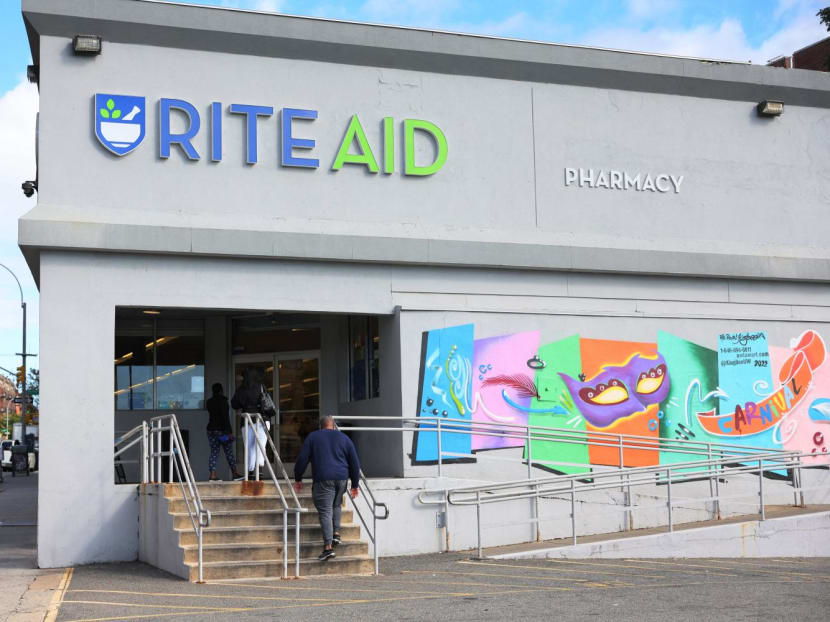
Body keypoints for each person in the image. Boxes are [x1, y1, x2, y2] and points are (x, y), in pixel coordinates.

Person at [293, 415, 360, 562]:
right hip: (342, 478)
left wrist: (298, 477)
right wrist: (355, 484)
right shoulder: (344, 438)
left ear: (320, 426)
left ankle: (328, 548)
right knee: (336, 505)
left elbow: (302, 459)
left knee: (325, 511)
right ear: (333, 426)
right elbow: (354, 462)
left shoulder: (313, 437)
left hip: (324, 479)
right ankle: (336, 533)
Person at [231, 367, 273, 476]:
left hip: (247, 421)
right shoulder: (261, 387)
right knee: (260, 445)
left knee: (249, 447)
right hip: (262, 419)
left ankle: (250, 471)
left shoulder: (241, 389)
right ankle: (260, 471)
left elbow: (234, 404)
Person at [205, 382, 242, 481]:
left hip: (211, 431)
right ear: (221, 391)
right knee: (229, 452)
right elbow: (225, 418)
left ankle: (212, 475)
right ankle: (235, 473)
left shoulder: (209, 402)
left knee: (214, 452)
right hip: (222, 432)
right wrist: (229, 432)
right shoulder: (223, 402)